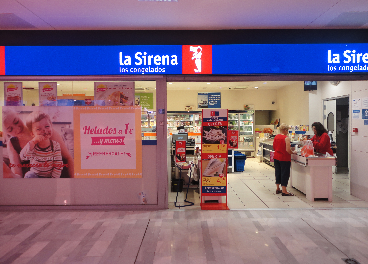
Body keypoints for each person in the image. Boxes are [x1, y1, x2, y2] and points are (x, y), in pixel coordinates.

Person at [3, 108, 74, 178]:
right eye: (10, 129)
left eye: (16, 122)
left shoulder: (45, 131)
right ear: (5, 132)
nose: (17, 129)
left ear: (17, 114)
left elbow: (68, 159)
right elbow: (17, 175)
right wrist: (9, 174)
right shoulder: (12, 144)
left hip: (57, 176)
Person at [19, 111, 63, 178]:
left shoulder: (55, 145)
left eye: (47, 126)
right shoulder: (32, 145)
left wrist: (53, 180)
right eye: (38, 129)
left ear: (51, 127)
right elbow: (23, 157)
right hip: (35, 175)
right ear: (32, 134)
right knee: (29, 174)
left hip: (49, 176)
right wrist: (33, 142)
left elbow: (58, 165)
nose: (44, 130)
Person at [273, 123, 295, 196]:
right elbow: (288, 150)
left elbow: (274, 147)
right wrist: (293, 152)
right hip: (284, 158)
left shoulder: (276, 137)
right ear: (285, 130)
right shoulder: (286, 138)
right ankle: (284, 191)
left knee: (278, 172)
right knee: (284, 173)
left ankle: (277, 188)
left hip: (276, 157)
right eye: (287, 130)